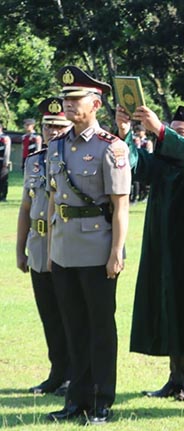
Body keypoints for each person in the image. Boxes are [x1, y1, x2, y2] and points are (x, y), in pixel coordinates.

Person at [115, 104, 184, 402]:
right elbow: (135, 164)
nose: (175, 136)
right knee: (169, 306)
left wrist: (161, 130)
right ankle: (176, 378)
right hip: (164, 246)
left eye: (182, 133)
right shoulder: (165, 165)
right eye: (173, 131)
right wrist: (123, 132)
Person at [45, 66, 130, 425]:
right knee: (73, 326)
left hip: (97, 246)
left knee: (99, 326)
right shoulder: (57, 145)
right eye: (65, 98)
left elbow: (121, 205)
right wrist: (50, 248)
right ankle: (74, 399)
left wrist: (116, 252)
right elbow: (52, 200)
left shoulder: (112, 147)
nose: (67, 104)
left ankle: (100, 401)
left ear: (95, 103)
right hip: (64, 246)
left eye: (75, 98)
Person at [16, 97, 72, 396]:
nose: (52, 131)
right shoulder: (34, 160)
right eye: (48, 126)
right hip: (39, 246)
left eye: (59, 125)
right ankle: (57, 372)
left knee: (69, 313)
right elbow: (26, 207)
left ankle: (74, 375)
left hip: (66, 245)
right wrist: (19, 250)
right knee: (49, 313)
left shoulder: (74, 158)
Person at [129, 124, 153, 203]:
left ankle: (142, 195)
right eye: (137, 131)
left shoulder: (147, 142)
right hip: (137, 160)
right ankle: (135, 197)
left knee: (142, 184)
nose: (138, 133)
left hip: (145, 161)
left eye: (139, 131)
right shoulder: (136, 140)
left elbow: (149, 152)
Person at [0, 121, 10, 201]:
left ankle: (3, 195)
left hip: (2, 161)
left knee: (3, 179)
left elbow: (7, 151)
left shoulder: (4, 138)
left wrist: (5, 162)